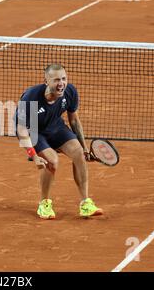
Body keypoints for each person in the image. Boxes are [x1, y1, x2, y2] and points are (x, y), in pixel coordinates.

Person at [15, 64, 103, 219]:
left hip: (56, 127)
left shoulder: (70, 92)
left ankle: (85, 204)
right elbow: (21, 130)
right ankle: (44, 204)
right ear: (46, 81)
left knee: (78, 154)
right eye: (56, 80)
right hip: (35, 130)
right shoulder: (31, 97)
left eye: (63, 78)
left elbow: (74, 121)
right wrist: (34, 155)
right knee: (52, 161)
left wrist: (83, 147)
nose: (61, 83)